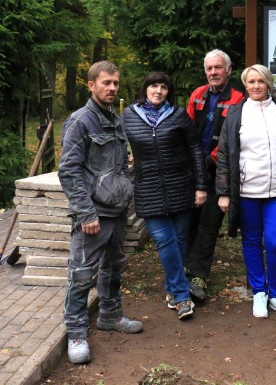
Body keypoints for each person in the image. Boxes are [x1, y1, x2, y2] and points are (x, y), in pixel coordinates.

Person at [58, 61, 142, 364]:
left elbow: (118, 166)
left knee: (114, 267)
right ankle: (76, 333)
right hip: (93, 215)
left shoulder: (115, 120)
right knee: (81, 275)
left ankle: (110, 314)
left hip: (116, 211)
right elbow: (69, 171)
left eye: (116, 83)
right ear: (91, 85)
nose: (112, 88)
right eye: (106, 83)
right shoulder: (81, 121)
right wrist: (86, 213)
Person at [216, 64, 276, 318]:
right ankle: (259, 292)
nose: (255, 86)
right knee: (251, 241)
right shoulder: (236, 114)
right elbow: (224, 155)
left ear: (268, 83)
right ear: (245, 85)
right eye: (250, 82)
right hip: (246, 192)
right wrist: (224, 192)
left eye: (260, 81)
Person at [122, 72, 208, 320]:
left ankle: (172, 289)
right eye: (153, 86)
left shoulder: (178, 115)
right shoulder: (129, 115)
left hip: (181, 187)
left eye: (163, 87)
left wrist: (201, 186)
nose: (158, 91)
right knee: (164, 241)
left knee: (180, 240)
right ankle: (182, 296)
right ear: (145, 89)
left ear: (168, 92)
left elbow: (195, 151)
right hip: (148, 190)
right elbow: (118, 146)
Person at [184, 50, 244, 300]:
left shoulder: (239, 99)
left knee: (209, 224)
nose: (213, 73)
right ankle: (184, 270)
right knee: (188, 222)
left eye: (218, 68)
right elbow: (185, 129)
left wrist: (208, 160)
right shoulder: (198, 94)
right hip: (192, 170)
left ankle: (199, 276)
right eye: (209, 68)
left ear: (228, 70)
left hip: (219, 172)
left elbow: (235, 139)